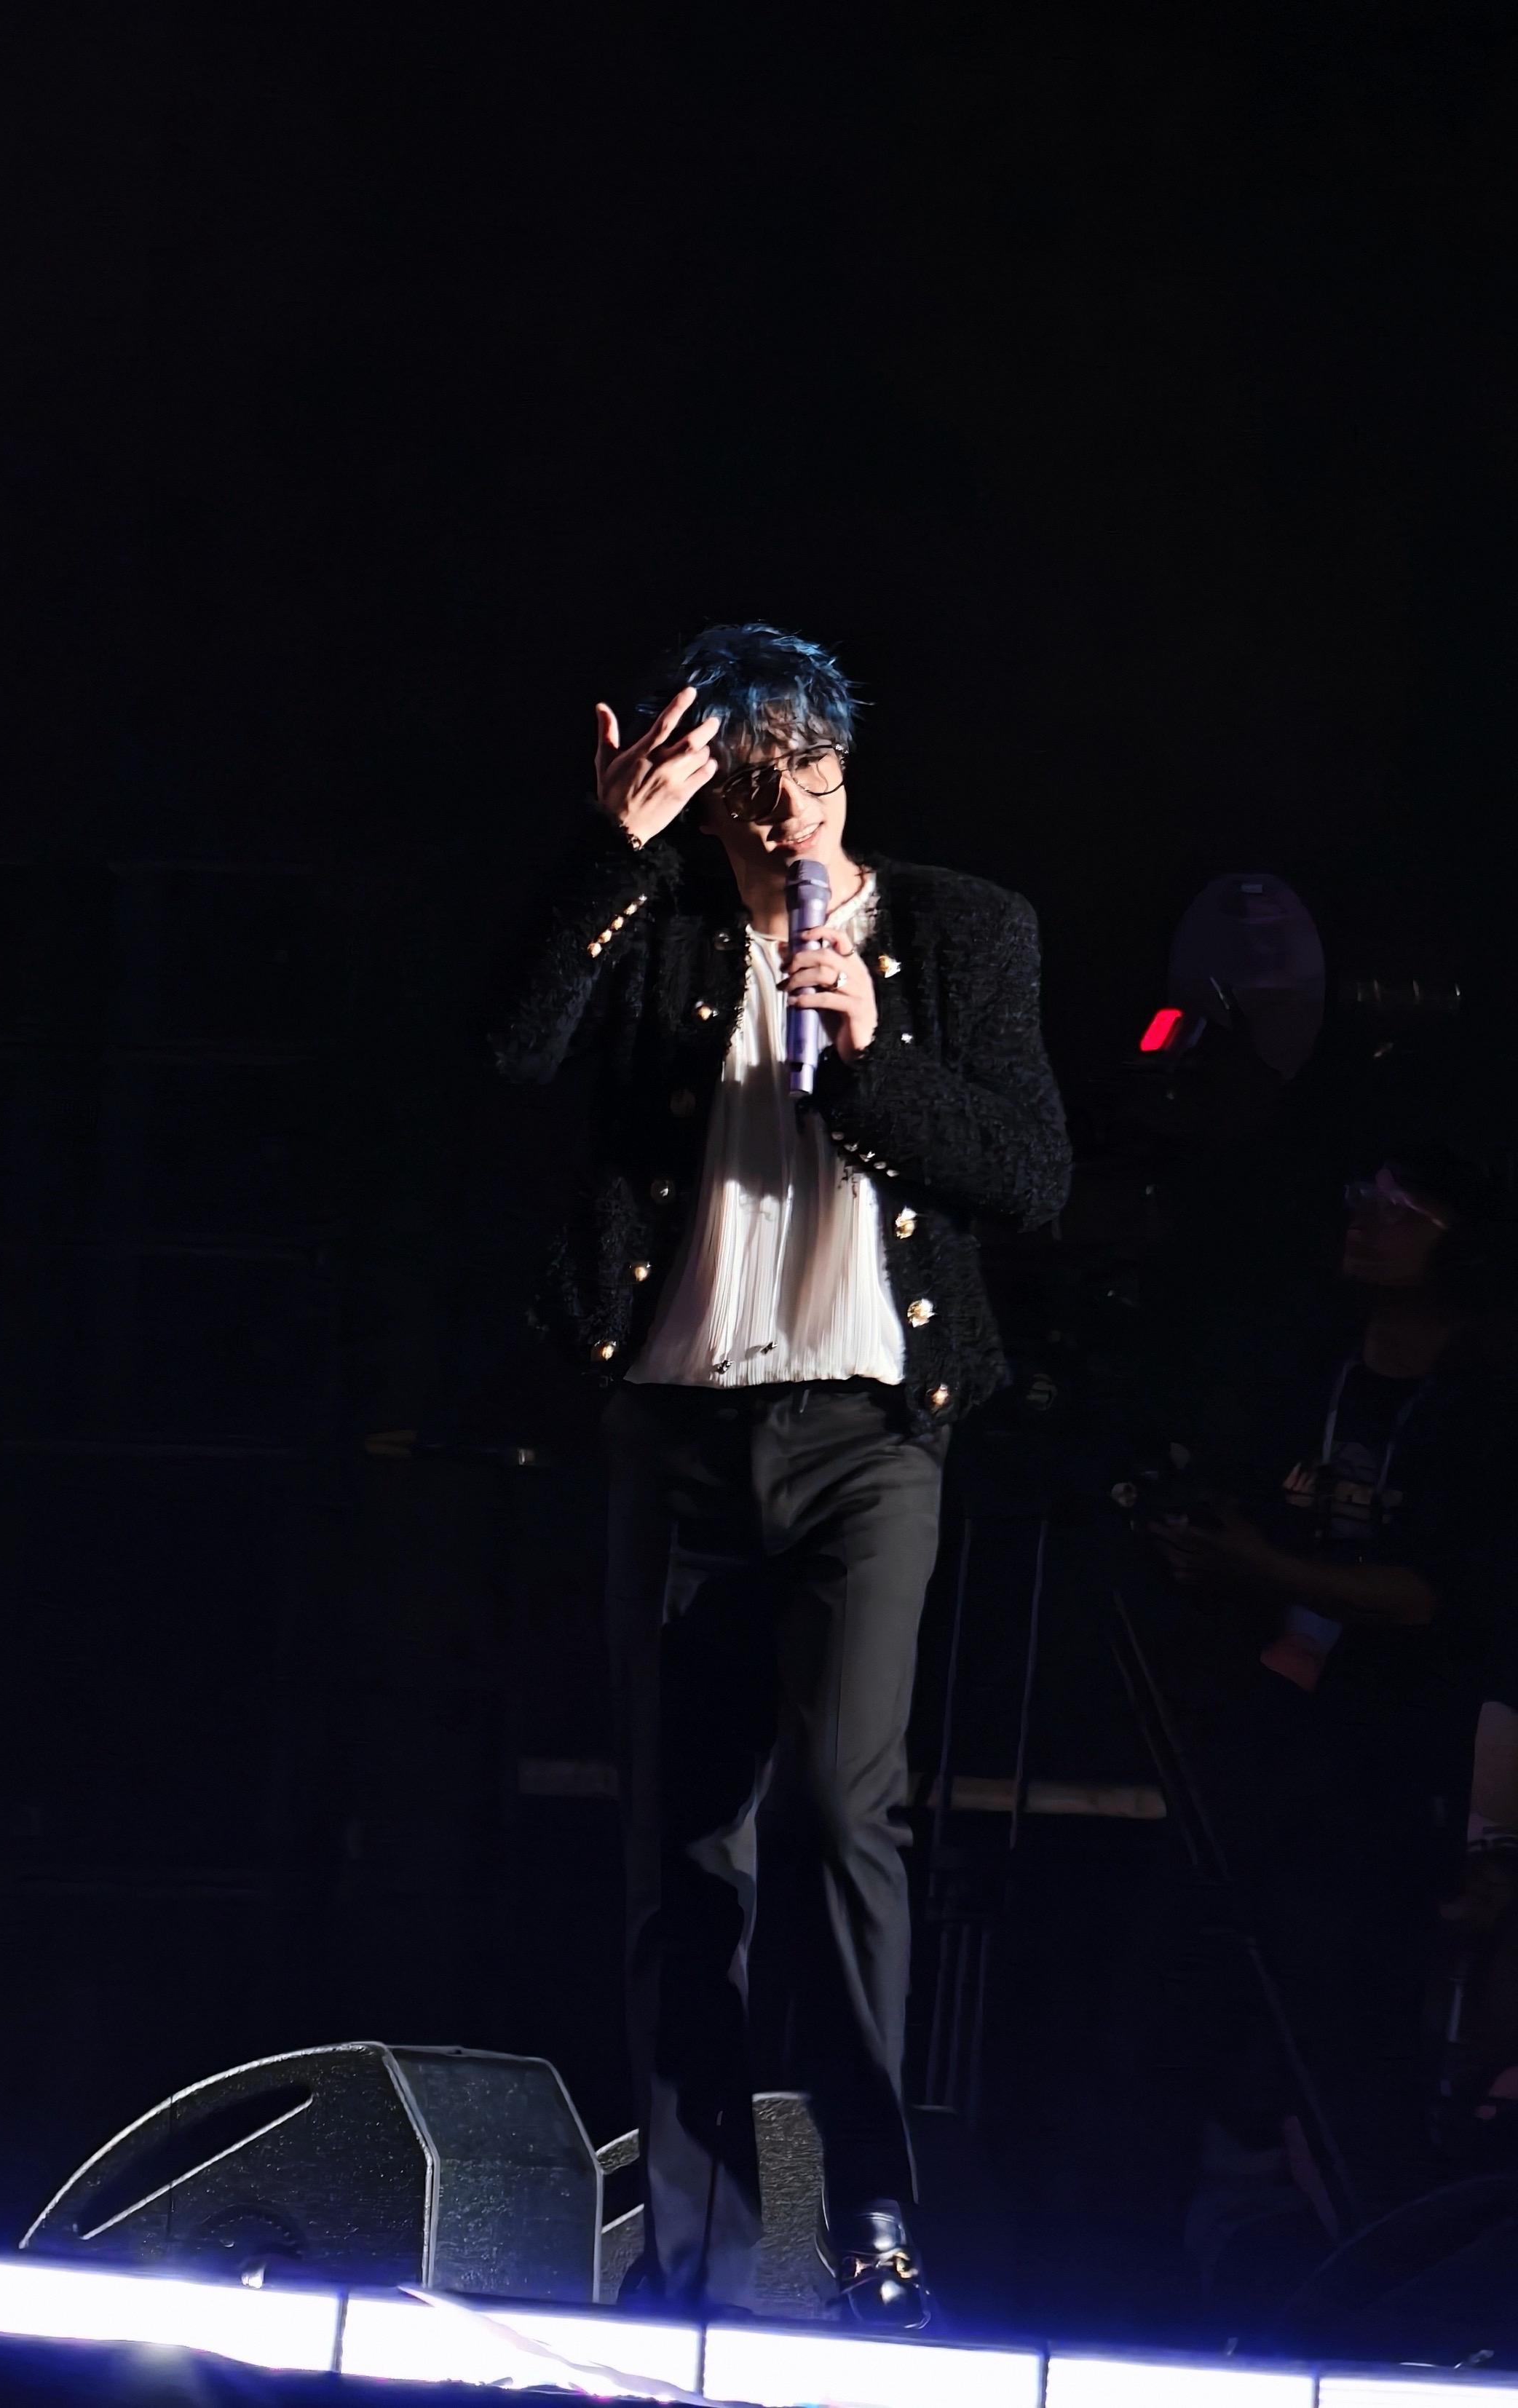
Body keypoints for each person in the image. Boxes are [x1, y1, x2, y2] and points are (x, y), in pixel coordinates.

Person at [493, 624, 1070, 2323]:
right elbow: (511, 1049)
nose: (788, 816)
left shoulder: (959, 929)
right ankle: (692, 2259)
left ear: (844, 766)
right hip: (678, 1430)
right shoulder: (658, 924)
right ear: (706, 794)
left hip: (870, 1436)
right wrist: (610, 855)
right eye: (752, 790)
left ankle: (873, 2214)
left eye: (812, 778)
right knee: (685, 1852)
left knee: (837, 1807)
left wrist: (875, 1048)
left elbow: (1031, 1175)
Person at [1147, 1145, 1517, 2258]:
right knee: (1207, 2002)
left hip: (1391, 1753)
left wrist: (1266, 1568)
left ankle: (1373, 2264)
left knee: (1355, 2020)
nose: (1367, 1221)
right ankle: (1214, 2247)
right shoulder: (1307, 1368)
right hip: (1261, 1729)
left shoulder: (1485, 1400)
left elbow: (1435, 1597)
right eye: (1360, 1199)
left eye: (1402, 1210)